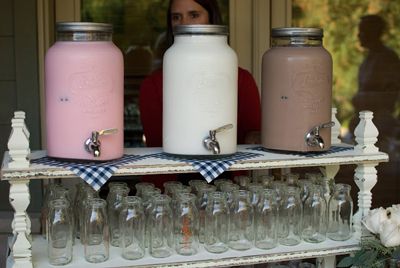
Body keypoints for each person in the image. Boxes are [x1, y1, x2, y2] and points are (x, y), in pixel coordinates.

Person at [139, 0, 261, 148]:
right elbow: (157, 149)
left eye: (194, 15)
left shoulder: (241, 80)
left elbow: (252, 140)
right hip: (174, 168)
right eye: (176, 17)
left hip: (228, 168)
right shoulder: (153, 85)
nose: (184, 24)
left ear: (212, 19)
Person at [349, 14, 400, 145]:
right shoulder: (367, 60)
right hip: (364, 124)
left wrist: (362, 98)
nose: (358, 35)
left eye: (362, 31)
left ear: (373, 32)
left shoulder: (387, 58)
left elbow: (391, 95)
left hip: (379, 128)